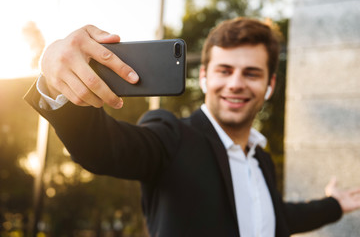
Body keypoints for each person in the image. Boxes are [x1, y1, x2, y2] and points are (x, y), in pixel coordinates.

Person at [25, 17, 360, 237]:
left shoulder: (262, 160)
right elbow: (103, 149)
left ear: (269, 84)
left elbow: (280, 217)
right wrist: (57, 81)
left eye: (251, 73)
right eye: (224, 70)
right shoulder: (170, 136)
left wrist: (334, 204)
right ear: (203, 77)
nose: (236, 83)